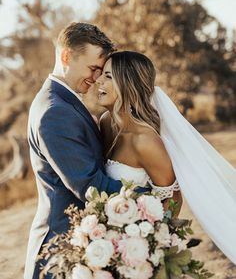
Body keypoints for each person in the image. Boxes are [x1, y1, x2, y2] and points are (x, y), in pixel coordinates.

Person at [97, 50, 236, 265]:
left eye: (108, 76)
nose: (99, 81)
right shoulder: (106, 122)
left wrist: (149, 242)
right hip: (109, 241)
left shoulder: (145, 140)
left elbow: (172, 198)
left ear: (128, 84)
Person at [24, 22, 125, 279]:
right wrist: (152, 194)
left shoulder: (64, 101)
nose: (96, 78)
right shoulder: (54, 112)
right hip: (59, 252)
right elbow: (92, 186)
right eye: (92, 68)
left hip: (81, 245)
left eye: (101, 71)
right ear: (66, 56)